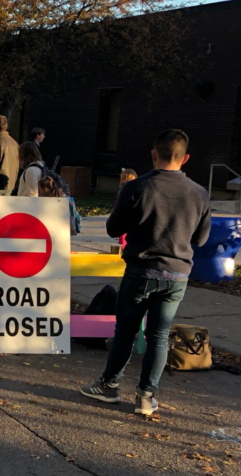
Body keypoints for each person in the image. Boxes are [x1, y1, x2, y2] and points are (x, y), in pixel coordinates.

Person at [80, 129, 211, 417]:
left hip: (140, 270)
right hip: (176, 274)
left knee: (125, 332)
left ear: (153, 154)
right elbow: (201, 240)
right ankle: (146, 396)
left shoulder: (136, 188)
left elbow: (113, 228)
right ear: (185, 158)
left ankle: (109, 386)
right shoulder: (199, 194)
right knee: (159, 336)